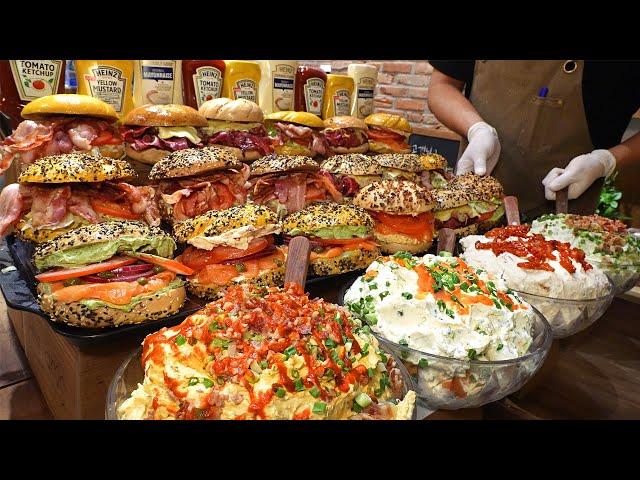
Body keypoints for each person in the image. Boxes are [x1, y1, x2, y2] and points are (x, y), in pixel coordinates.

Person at [427, 60, 640, 218]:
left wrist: (606, 161)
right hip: (469, 213)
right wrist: (476, 128)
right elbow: (442, 86)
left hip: (563, 233)